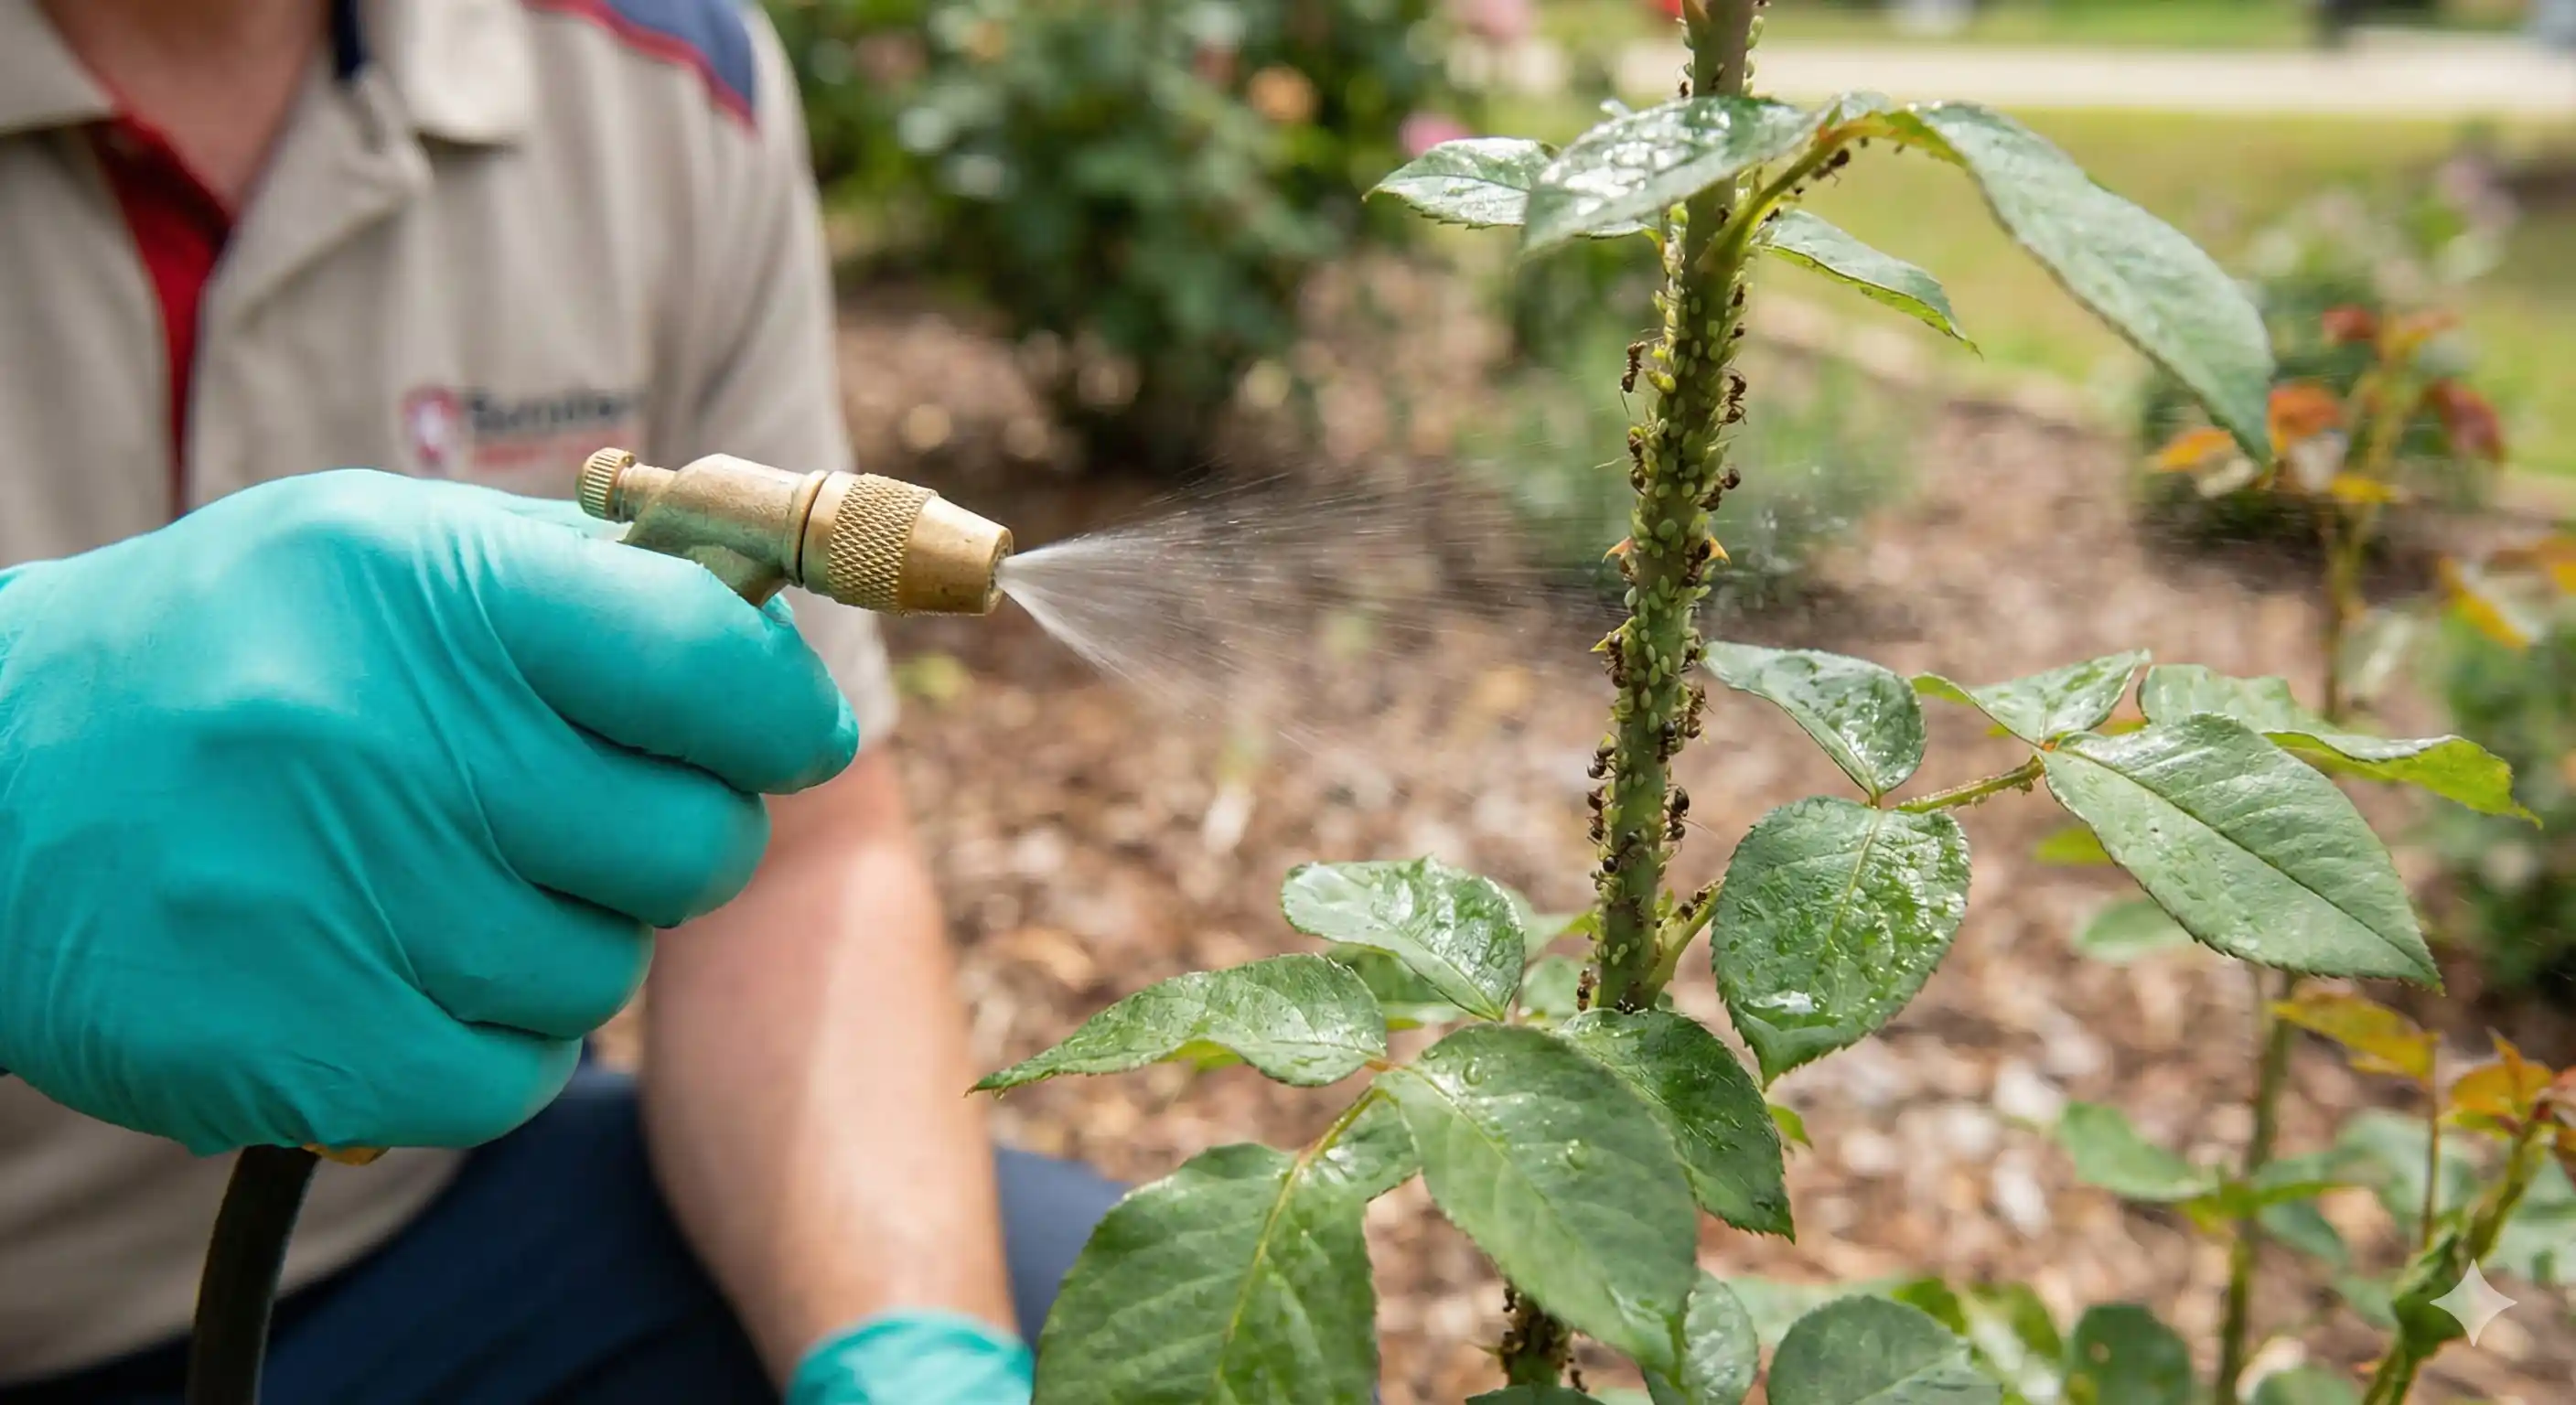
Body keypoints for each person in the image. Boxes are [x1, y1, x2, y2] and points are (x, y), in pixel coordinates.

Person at [0, 1, 1120, 1400]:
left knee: (1098, 1321)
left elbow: (805, 862)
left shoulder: (661, 74)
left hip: (416, 1236)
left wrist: (908, 1347)